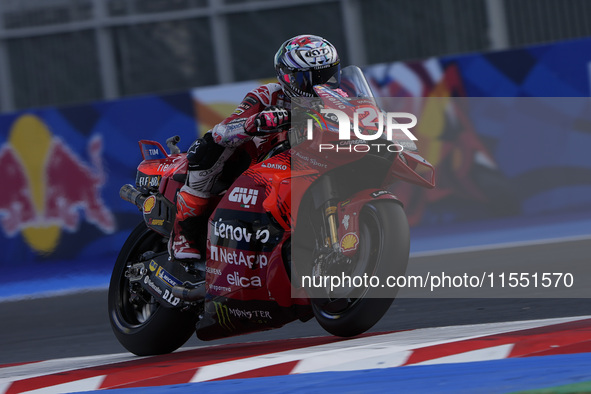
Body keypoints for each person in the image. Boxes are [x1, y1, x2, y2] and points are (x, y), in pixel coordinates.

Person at [170, 34, 341, 260]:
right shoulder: (267, 95)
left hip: (307, 164)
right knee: (209, 144)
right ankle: (184, 233)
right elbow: (225, 130)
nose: (321, 86)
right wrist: (255, 122)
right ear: (288, 78)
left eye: (328, 76)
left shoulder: (339, 98)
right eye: (311, 79)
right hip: (255, 164)